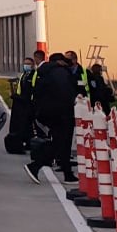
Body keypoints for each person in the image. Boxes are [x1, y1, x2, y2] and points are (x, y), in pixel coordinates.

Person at [26, 49, 79, 184]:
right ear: (60, 61)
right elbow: (66, 94)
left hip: (49, 112)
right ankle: (35, 165)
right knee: (61, 142)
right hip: (62, 113)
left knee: (60, 142)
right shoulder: (60, 73)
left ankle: (67, 173)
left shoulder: (45, 72)